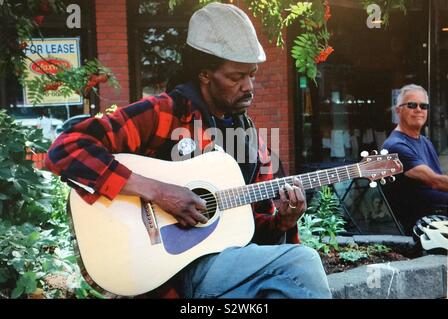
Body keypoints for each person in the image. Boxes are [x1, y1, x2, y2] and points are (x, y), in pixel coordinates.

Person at [45, 2, 331, 299]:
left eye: (253, 75)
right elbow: (65, 148)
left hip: (220, 268)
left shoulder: (250, 140)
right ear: (205, 74)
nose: (249, 86)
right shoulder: (165, 113)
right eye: (236, 77)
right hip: (165, 272)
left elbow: (253, 236)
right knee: (303, 261)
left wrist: (284, 221)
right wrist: (158, 191)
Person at [382, 84, 448, 235]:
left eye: (423, 106)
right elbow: (435, 182)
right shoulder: (395, 146)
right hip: (425, 225)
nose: (419, 109)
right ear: (398, 110)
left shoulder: (425, 141)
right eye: (412, 105)